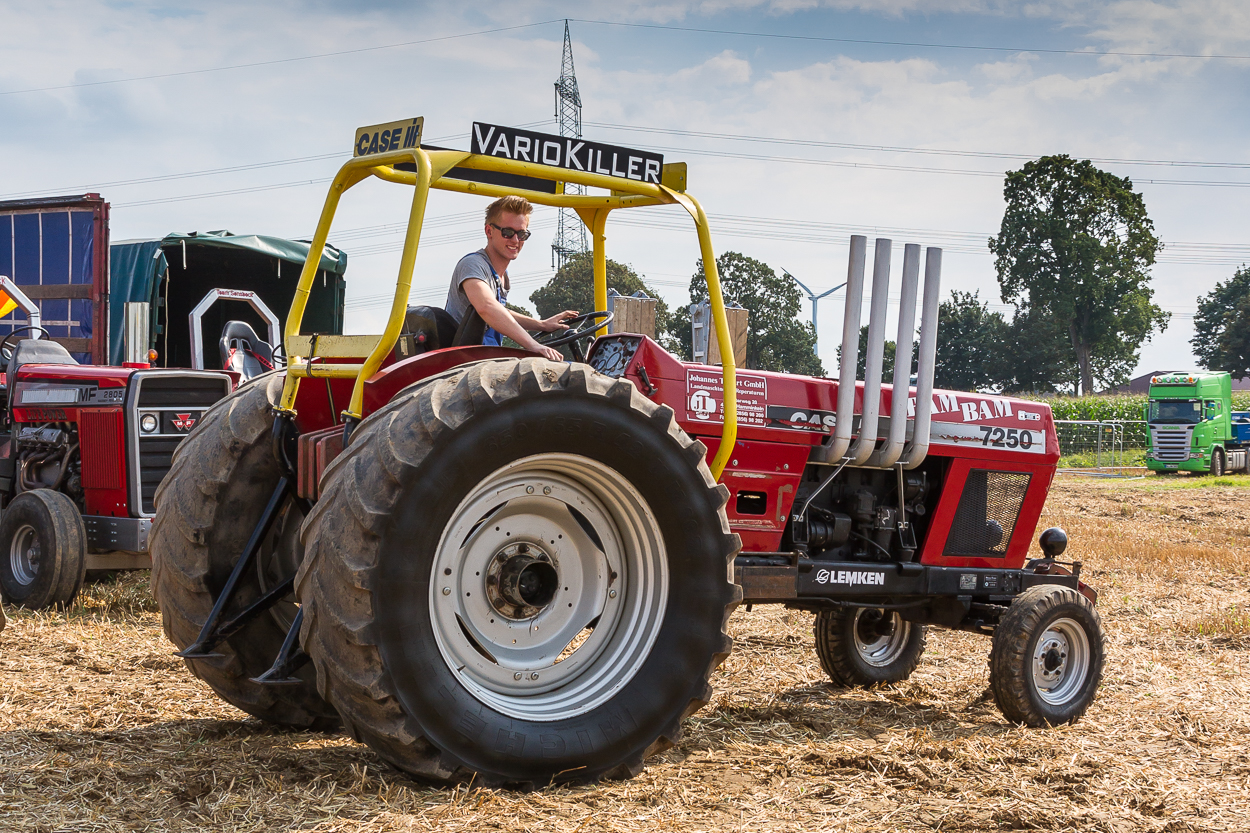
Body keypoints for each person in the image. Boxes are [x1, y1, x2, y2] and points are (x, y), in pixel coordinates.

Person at [445, 195, 576, 362]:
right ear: (489, 231)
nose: (515, 240)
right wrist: (533, 345)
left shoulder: (502, 278)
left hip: (486, 358)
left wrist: (541, 325)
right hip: (463, 362)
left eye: (522, 234)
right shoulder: (473, 264)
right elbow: (487, 307)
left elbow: (500, 312)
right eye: (508, 233)